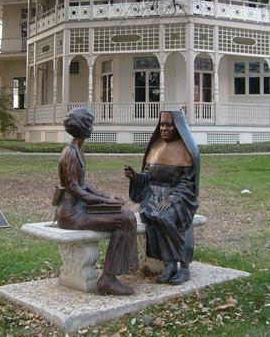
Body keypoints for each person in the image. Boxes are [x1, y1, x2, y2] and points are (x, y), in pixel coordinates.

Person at [56, 107, 138, 295]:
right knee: (124, 219)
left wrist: (107, 196)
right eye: (90, 124)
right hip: (72, 214)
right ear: (82, 127)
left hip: (80, 208)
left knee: (126, 215)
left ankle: (112, 275)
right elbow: (74, 190)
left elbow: (84, 185)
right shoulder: (70, 153)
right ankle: (108, 280)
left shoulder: (77, 150)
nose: (92, 128)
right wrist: (105, 203)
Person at [125, 110, 200, 285]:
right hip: (152, 197)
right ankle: (170, 265)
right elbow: (148, 177)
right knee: (152, 215)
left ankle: (183, 266)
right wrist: (135, 177)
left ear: (178, 127)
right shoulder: (155, 146)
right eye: (162, 124)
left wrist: (172, 199)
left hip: (180, 198)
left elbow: (188, 184)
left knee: (166, 217)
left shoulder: (188, 150)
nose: (164, 128)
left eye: (169, 125)